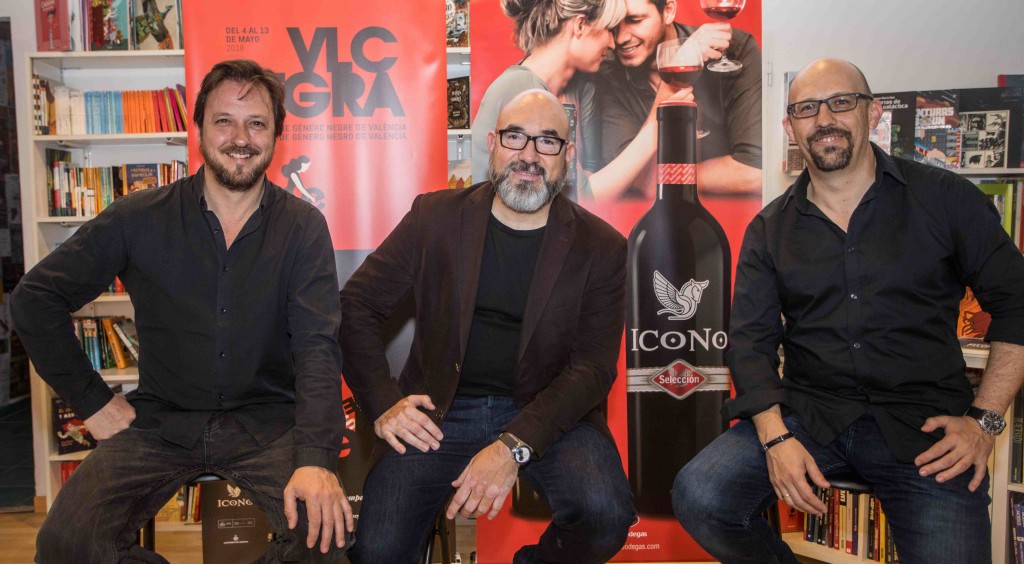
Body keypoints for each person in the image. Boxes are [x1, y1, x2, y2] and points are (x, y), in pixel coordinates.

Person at [672, 59, 1024, 564]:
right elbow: (749, 342)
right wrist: (775, 439)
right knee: (700, 495)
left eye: (841, 102)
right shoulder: (770, 230)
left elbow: (1017, 303)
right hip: (811, 415)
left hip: (924, 428)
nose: (824, 119)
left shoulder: (945, 200)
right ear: (789, 126)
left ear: (872, 112)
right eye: (807, 109)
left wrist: (984, 422)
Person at [12, 59, 354, 563]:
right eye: (224, 121)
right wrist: (92, 402)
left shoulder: (302, 227)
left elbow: (318, 349)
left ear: (277, 135)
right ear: (198, 130)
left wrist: (316, 459)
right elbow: (34, 299)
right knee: (67, 544)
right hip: (159, 424)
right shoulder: (138, 216)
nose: (241, 137)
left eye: (257, 123)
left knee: (323, 542)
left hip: (267, 425)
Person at [343, 89, 634, 564]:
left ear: (568, 155)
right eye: (515, 137)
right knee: (378, 551)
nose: (528, 155)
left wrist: (512, 446)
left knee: (605, 515)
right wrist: (383, 402)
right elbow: (356, 306)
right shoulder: (433, 219)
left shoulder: (601, 248)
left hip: (545, 411)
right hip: (438, 411)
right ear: (493, 143)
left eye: (547, 142)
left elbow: (593, 369)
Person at [472, 0, 689, 201]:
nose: (614, 43)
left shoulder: (578, 89)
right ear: (580, 26)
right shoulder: (521, 89)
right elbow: (581, 196)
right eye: (609, 29)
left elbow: (585, 179)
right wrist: (655, 124)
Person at [593, 0, 761, 198]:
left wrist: (672, 176)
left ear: (668, 11)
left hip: (730, 218)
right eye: (613, 25)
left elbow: (754, 173)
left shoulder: (735, 50)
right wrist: (679, 64)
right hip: (650, 219)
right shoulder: (606, 71)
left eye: (635, 20)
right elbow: (644, 181)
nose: (620, 38)